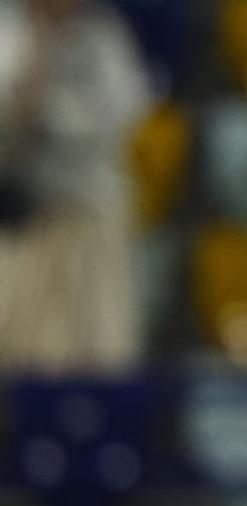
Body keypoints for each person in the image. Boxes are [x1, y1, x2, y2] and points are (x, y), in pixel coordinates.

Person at [0, 0, 148, 372]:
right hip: (22, 220)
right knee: (23, 353)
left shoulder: (103, 35)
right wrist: (36, 50)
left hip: (90, 212)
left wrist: (44, 113)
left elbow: (122, 115)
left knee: (98, 348)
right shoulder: (7, 31)